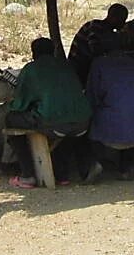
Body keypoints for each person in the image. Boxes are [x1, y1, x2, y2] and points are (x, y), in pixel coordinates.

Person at [6, 38, 92, 189]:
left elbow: (19, 104)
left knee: (10, 119)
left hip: (54, 122)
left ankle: (28, 174)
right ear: (53, 51)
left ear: (33, 53)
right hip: (84, 122)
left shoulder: (31, 69)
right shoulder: (67, 66)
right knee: (66, 132)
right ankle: (61, 174)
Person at [85, 28, 134, 181]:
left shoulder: (99, 64)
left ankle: (95, 162)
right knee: (125, 111)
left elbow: (92, 96)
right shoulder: (133, 63)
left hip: (113, 129)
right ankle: (127, 167)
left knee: (90, 119)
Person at [67, 4, 128, 85]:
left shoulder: (111, 33)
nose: (124, 23)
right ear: (113, 17)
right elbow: (96, 52)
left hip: (89, 70)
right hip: (78, 70)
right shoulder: (94, 27)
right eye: (122, 19)